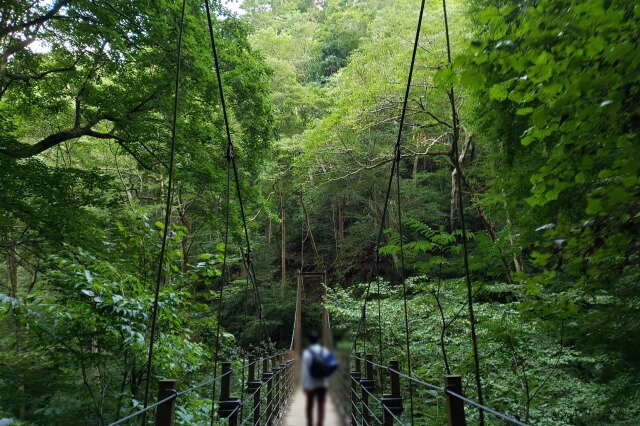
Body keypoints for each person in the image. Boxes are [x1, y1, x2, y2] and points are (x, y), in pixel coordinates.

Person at [301, 330, 331, 426]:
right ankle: (320, 424)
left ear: (309, 341)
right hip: (322, 382)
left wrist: (304, 385)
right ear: (318, 340)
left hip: (310, 383)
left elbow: (305, 370)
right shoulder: (325, 351)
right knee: (321, 404)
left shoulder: (306, 353)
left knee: (310, 405)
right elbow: (331, 365)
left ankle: (310, 423)